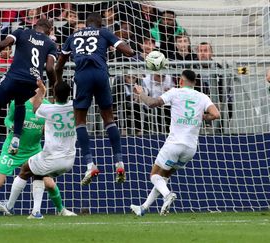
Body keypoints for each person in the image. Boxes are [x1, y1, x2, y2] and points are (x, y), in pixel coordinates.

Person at [0, 87, 75, 218]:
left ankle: (61, 210)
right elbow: (7, 119)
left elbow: (50, 125)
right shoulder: (18, 103)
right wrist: (12, 125)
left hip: (34, 149)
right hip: (12, 150)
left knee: (49, 183)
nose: (38, 91)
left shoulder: (47, 106)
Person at [55, 12, 134, 185]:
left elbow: (59, 63)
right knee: (108, 118)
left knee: (80, 121)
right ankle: (119, 163)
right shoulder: (104, 32)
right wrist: (134, 52)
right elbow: (127, 51)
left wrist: (58, 82)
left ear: (86, 23)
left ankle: (90, 165)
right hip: (101, 75)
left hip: (82, 76)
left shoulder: (74, 35)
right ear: (100, 23)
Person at [131, 70, 220, 216]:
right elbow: (216, 114)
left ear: (180, 81)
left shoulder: (175, 92)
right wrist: (200, 117)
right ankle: (143, 208)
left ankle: (168, 195)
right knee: (163, 177)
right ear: (195, 83)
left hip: (175, 144)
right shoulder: (202, 97)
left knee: (154, 176)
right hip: (190, 149)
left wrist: (141, 93)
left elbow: (152, 103)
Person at [0, 18, 57, 162]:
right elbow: (50, 68)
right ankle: (16, 140)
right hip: (32, 82)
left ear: (34, 26)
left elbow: (4, 44)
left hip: (14, 78)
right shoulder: (51, 44)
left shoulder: (22, 32)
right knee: (20, 102)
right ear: (49, 31)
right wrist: (54, 86)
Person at [0, 80, 76, 219]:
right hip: (69, 159)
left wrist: (42, 91)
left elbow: (35, 107)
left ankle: (9, 206)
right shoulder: (75, 107)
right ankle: (36, 212)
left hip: (52, 157)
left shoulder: (47, 109)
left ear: (54, 95)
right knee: (38, 172)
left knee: (25, 169)